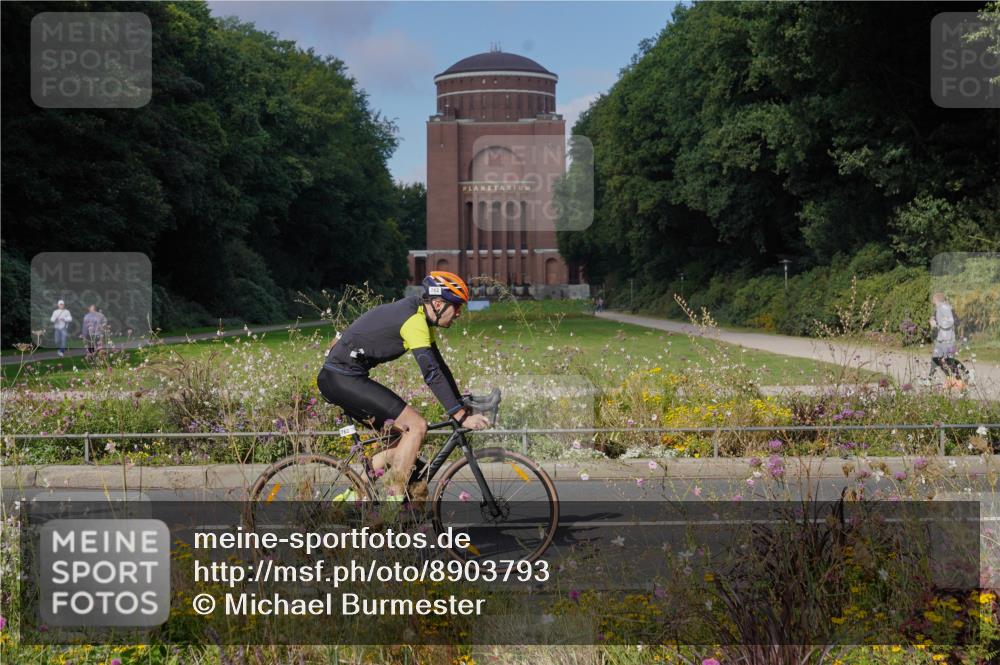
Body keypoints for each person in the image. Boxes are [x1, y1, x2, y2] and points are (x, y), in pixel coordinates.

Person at [316, 271, 490, 499]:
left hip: (343, 377)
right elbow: (430, 373)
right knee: (416, 426)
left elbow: (439, 366)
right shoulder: (414, 321)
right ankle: (394, 500)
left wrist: (459, 402)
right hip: (342, 378)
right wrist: (460, 415)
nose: (458, 313)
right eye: (456, 306)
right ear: (437, 303)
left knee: (402, 444)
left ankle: (351, 498)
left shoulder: (419, 316)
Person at [926, 292, 968, 383]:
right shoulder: (939, 309)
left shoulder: (946, 309)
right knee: (936, 358)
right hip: (941, 340)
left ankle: (962, 377)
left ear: (936, 300)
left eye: (933, 300)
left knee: (949, 361)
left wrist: (936, 324)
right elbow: (935, 319)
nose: (933, 302)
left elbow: (955, 322)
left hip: (948, 340)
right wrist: (933, 320)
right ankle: (930, 379)